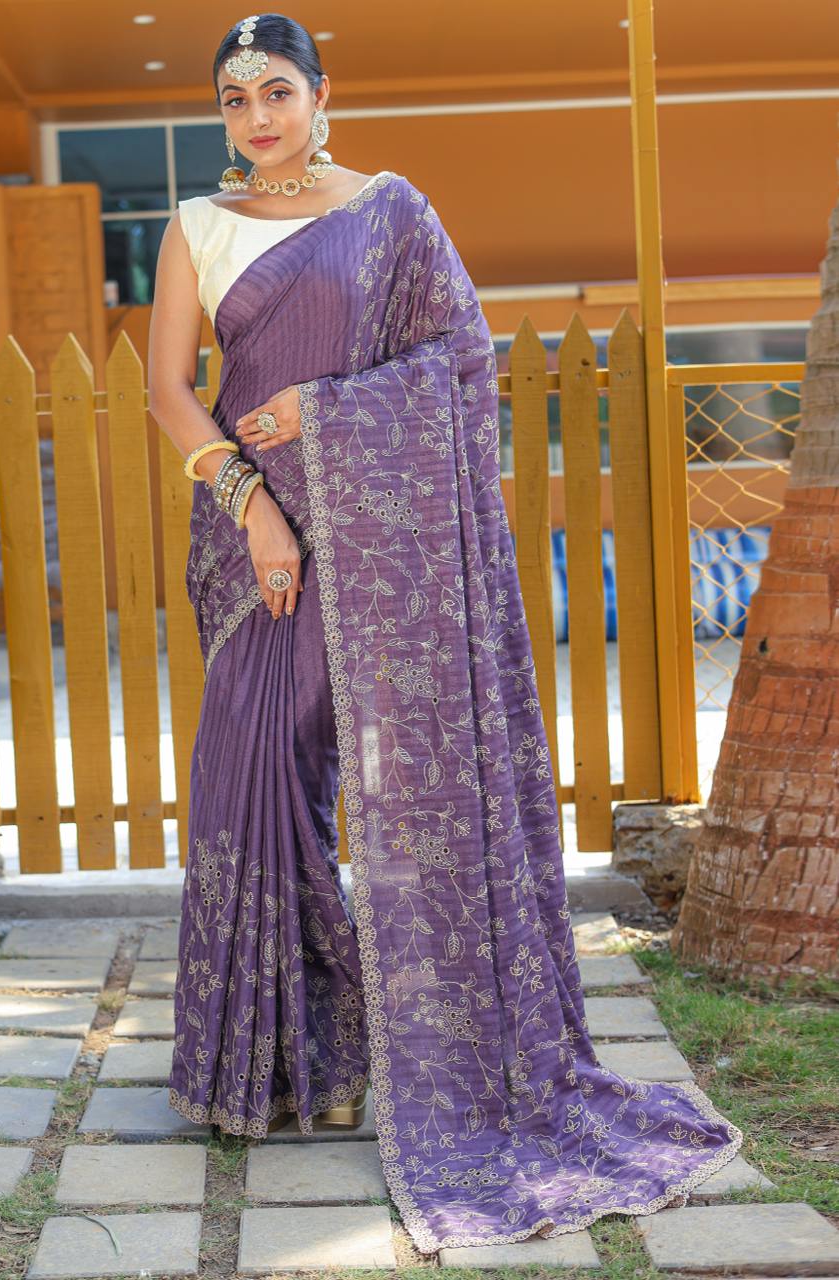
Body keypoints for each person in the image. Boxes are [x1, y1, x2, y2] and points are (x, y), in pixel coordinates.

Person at [146, 11, 743, 1256]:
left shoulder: (391, 213)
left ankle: (386, 1042)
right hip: (249, 535)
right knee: (249, 771)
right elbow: (167, 389)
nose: (256, 117)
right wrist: (251, 504)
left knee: (364, 778)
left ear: (321, 95)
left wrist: (323, 409)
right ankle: (289, 1058)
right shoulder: (197, 225)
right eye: (234, 99)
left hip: (378, 533)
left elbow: (459, 359)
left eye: (276, 90)